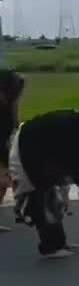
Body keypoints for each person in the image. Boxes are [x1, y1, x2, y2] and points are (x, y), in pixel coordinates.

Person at [10, 102, 79, 259]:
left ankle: (59, 242)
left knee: (54, 199)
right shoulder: (73, 130)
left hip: (43, 154)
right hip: (25, 150)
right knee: (41, 198)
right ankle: (50, 247)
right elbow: (72, 165)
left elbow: (73, 164)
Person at [0, 70, 26, 232]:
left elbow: (14, 121)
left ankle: (22, 209)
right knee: (5, 179)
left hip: (4, 142)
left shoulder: (10, 103)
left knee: (4, 182)